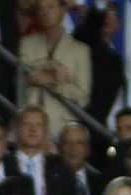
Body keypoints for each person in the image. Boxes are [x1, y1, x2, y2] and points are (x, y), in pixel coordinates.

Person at [16, 0, 91, 140]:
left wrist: (53, 82)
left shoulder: (80, 50)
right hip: (26, 126)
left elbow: (82, 97)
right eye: (41, 8)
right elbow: (22, 73)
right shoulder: (26, 43)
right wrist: (52, 66)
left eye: (50, 7)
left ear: (63, 10)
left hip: (60, 131)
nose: (45, 12)